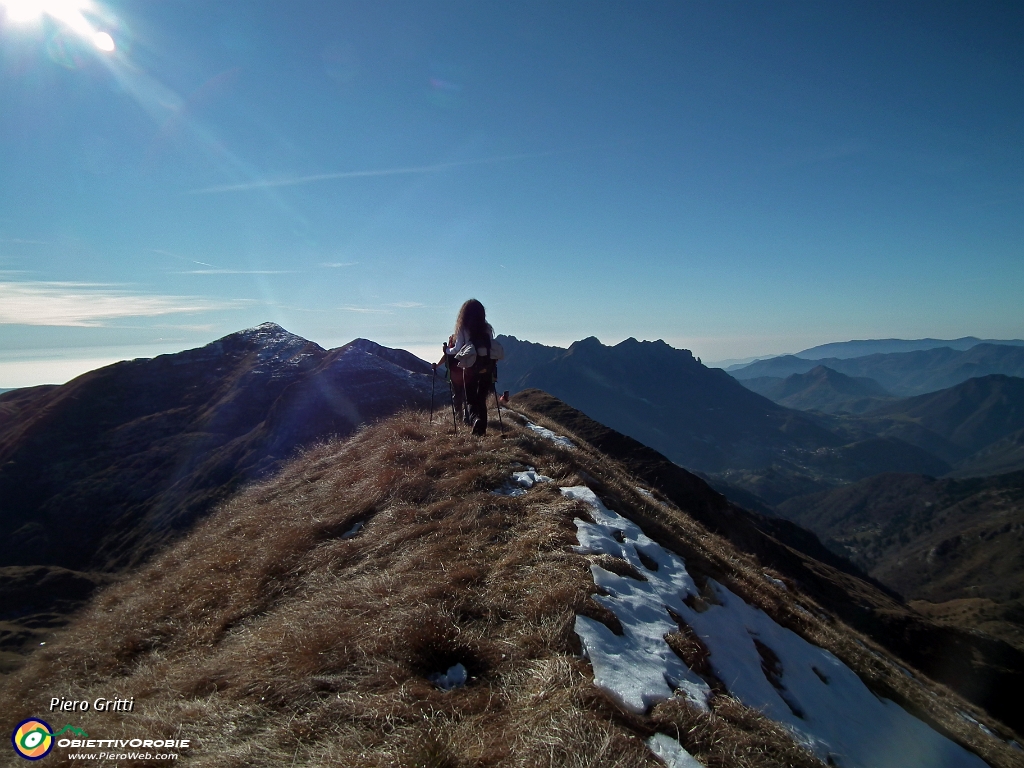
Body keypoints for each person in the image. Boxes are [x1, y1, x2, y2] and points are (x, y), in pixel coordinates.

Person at [436, 299, 499, 435]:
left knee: (470, 399)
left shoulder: (463, 328)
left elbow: (457, 349)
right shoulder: (487, 328)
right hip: (487, 365)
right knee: (481, 399)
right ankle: (482, 427)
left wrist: (446, 350)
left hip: (469, 367)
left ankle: (476, 421)